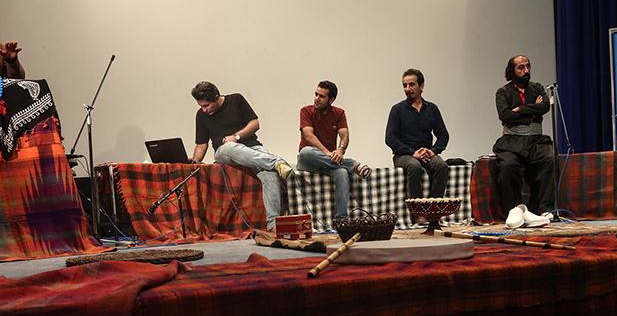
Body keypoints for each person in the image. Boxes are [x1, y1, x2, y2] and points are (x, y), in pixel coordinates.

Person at [191, 81, 292, 232]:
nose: (204, 110)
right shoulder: (201, 115)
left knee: (270, 174)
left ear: (216, 97)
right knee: (229, 147)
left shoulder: (236, 100)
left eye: (206, 105)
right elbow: (201, 144)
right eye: (201, 106)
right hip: (225, 152)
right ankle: (276, 162)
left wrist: (236, 137)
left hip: (252, 147)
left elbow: (255, 124)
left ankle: (273, 225)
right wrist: (195, 161)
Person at [492, 55, 555, 228]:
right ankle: (515, 210)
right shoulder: (503, 92)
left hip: (536, 140)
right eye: (521, 67)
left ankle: (545, 209)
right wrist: (533, 110)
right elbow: (505, 115)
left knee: (549, 159)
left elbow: (544, 106)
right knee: (508, 165)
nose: (526, 70)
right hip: (512, 140)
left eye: (528, 66)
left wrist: (520, 109)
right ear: (512, 71)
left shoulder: (537, 88)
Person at [297, 81, 371, 220]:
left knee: (342, 172)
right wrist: (327, 153)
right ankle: (352, 164)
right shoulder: (306, 110)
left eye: (322, 96)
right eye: (316, 94)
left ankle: (340, 219)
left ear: (331, 100)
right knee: (306, 152)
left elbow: (345, 136)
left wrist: (340, 150)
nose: (317, 98)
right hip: (310, 161)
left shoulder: (339, 113)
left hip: (329, 162)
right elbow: (308, 136)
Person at [385, 68, 450, 222]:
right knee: (414, 166)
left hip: (426, 153)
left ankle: (433, 210)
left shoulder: (432, 108)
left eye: (411, 85)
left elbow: (443, 134)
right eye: (405, 85)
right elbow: (390, 138)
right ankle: (418, 213)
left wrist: (433, 151)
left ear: (421, 86)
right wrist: (412, 152)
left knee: (441, 166)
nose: (408, 89)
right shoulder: (397, 109)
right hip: (404, 154)